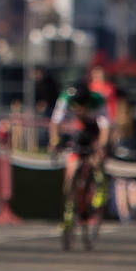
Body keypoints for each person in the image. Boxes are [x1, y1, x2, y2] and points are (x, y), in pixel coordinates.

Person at [48, 85, 109, 229]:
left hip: (95, 130)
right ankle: (69, 210)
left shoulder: (98, 101)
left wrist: (100, 147)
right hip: (79, 131)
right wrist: (55, 141)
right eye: (76, 106)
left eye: (82, 106)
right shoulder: (65, 99)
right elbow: (55, 123)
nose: (78, 109)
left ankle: (100, 187)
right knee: (71, 171)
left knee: (97, 158)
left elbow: (105, 130)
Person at [107, 95, 136, 223]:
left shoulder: (118, 125)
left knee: (122, 186)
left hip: (123, 161)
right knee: (130, 186)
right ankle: (132, 214)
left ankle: (125, 217)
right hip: (131, 161)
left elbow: (112, 145)